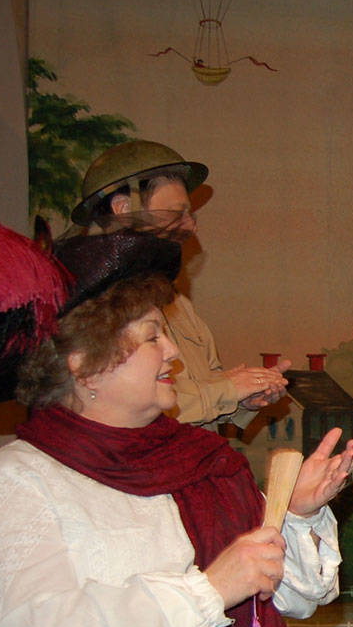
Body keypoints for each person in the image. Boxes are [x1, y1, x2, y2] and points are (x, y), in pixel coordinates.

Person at [0, 202, 353, 627]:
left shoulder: (200, 462)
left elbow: (294, 600)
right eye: (152, 337)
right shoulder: (16, 481)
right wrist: (211, 590)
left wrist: (297, 514)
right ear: (83, 362)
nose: (173, 352)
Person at [71, 139, 289, 428]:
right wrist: (228, 390)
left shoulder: (178, 304)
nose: (190, 225)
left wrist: (245, 396)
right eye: (175, 213)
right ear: (123, 208)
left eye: (189, 214)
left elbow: (206, 389)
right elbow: (137, 405)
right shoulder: (93, 306)